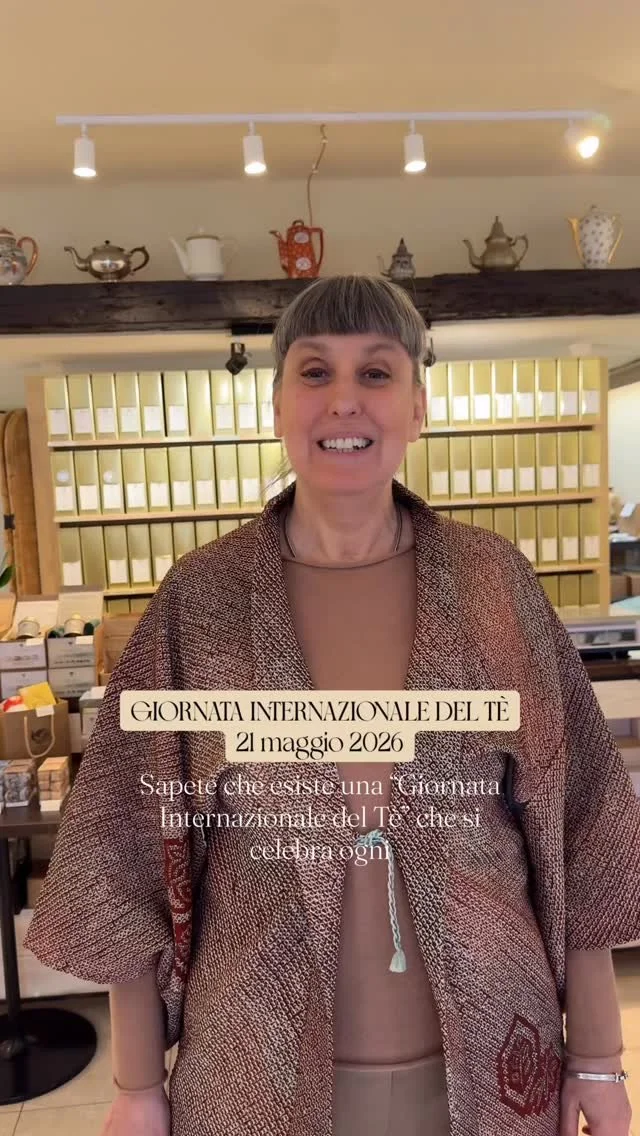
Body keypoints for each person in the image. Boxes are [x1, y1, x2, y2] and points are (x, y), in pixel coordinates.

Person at [25, 275, 639, 1136]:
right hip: (254, 1069)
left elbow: (586, 828)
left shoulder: (493, 584)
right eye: (315, 371)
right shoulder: (202, 600)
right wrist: (136, 1085)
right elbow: (121, 850)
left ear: (418, 407)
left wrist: (598, 1056)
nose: (344, 399)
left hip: (496, 1060)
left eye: (376, 372)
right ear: (277, 405)